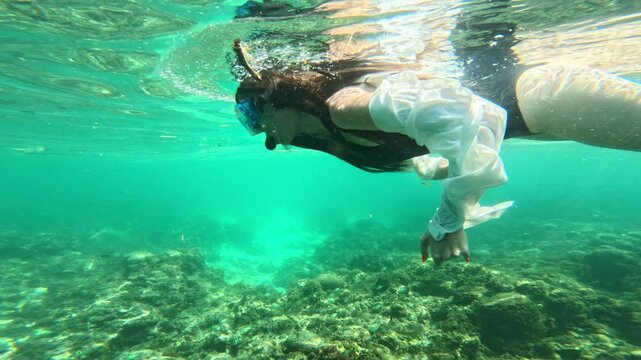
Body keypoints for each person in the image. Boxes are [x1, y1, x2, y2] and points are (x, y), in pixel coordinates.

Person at [231, 22, 641, 265]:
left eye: (250, 116)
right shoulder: (331, 133)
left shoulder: (341, 107)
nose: (257, 130)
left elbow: (466, 117)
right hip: (536, 120)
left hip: (541, 95)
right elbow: (426, 140)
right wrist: (431, 165)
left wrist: (451, 217)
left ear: (273, 96)